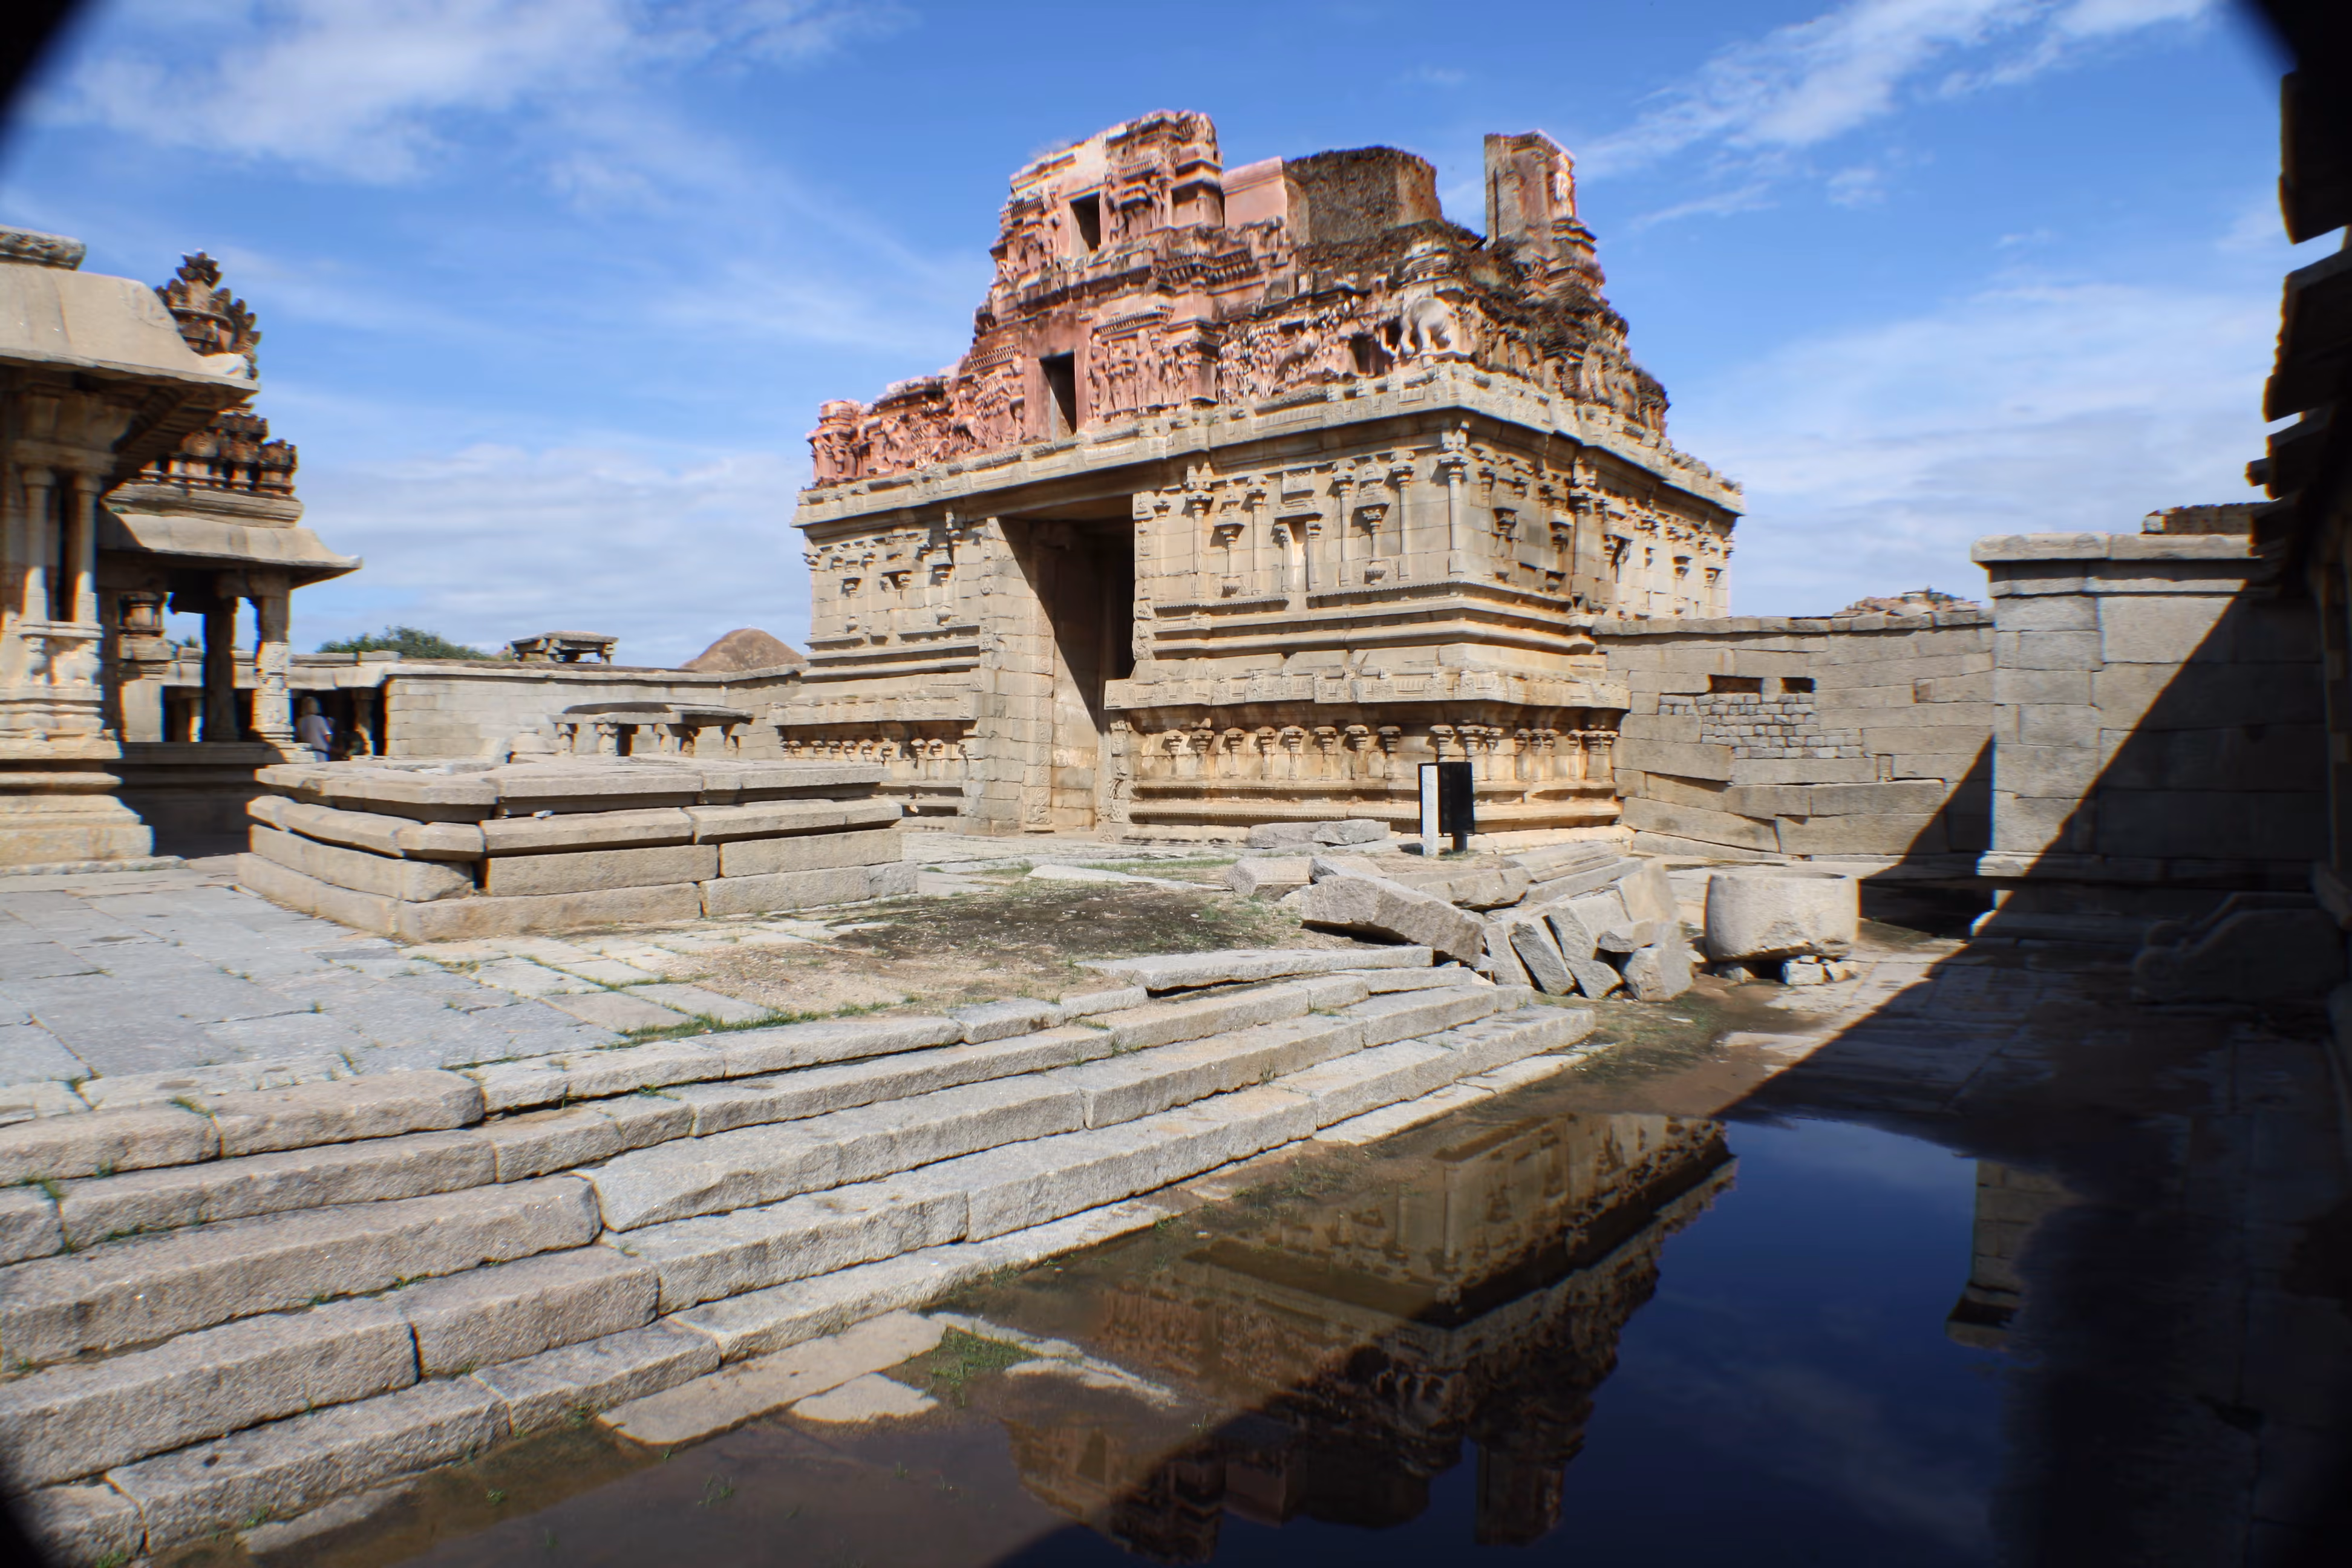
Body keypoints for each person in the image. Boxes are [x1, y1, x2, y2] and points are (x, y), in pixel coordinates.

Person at [295, 696, 334, 761]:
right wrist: (330, 726)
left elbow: (298, 737)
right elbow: (328, 738)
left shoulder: (300, 721)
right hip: (320, 752)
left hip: (307, 753)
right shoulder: (319, 719)